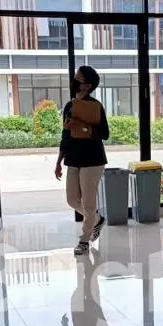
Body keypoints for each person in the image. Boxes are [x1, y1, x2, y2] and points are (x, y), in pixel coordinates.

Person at [55, 65, 110, 256]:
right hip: (73, 158)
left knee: (88, 202)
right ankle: (97, 219)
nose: (74, 81)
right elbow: (65, 135)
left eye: (78, 78)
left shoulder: (95, 106)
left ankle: (84, 240)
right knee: (72, 200)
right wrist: (58, 161)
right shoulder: (69, 106)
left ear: (88, 86)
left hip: (93, 159)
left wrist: (82, 125)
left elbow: (104, 134)